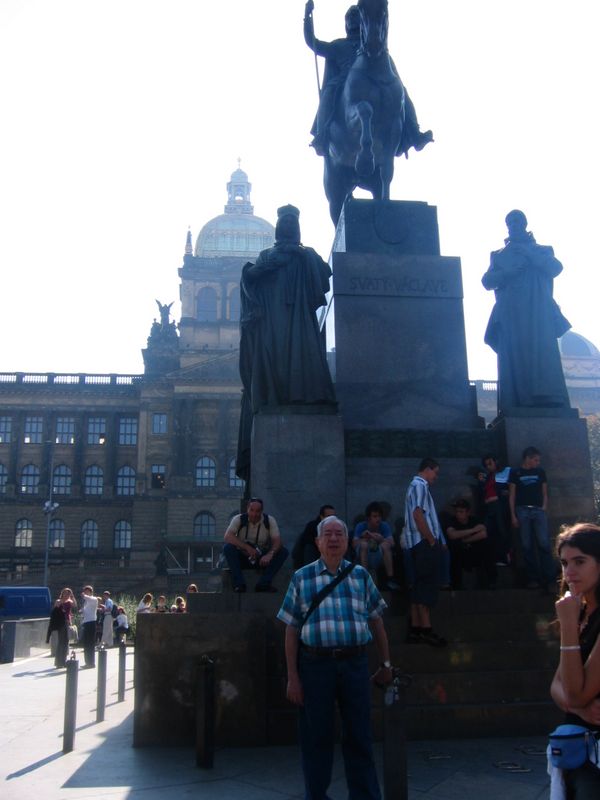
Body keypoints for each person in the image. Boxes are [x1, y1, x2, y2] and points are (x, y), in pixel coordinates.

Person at [278, 515, 393, 800]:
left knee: (360, 736)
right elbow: (291, 630)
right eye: (327, 534)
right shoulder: (301, 578)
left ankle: (365, 796)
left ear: (347, 541)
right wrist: (293, 676)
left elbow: (377, 621)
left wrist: (386, 664)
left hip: (354, 664)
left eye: (339, 534)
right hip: (315, 665)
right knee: (316, 737)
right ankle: (316, 795)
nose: (333, 539)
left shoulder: (360, 576)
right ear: (317, 542)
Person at [236, 204, 336, 481]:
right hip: (272, 322)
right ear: (280, 229)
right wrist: (269, 265)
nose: (289, 227)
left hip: (299, 323)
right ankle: (276, 397)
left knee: (300, 363)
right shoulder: (267, 255)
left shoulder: (306, 256)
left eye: (293, 222)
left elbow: (325, 276)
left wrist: (303, 256)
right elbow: (249, 279)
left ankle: (303, 397)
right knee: (275, 363)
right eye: (286, 223)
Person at [303, 1, 432, 157]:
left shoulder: (379, 49)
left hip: (377, 79)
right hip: (344, 85)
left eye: (355, 15)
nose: (352, 19)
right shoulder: (339, 46)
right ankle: (322, 135)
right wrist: (307, 17)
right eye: (349, 17)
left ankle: (414, 133)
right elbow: (313, 43)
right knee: (329, 91)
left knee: (401, 91)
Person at [482, 209, 571, 411]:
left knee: (542, 355)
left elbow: (555, 268)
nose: (513, 225)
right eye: (510, 222)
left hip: (537, 313)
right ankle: (515, 402)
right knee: (514, 358)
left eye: (517, 221)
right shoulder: (498, 256)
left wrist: (531, 254)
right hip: (511, 314)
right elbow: (487, 281)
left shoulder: (542, 250)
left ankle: (548, 400)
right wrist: (507, 273)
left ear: (525, 224)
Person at [550, 523, 600, 797]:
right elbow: (556, 686)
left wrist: (568, 626)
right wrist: (578, 709)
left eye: (580, 561)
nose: (569, 571)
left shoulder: (573, 617)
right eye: (564, 562)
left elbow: (576, 694)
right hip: (575, 749)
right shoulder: (579, 613)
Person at [403, 458, 447, 646]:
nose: (436, 477)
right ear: (427, 469)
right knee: (426, 586)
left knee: (419, 585)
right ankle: (426, 629)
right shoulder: (420, 485)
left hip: (416, 543)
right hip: (423, 543)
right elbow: (417, 514)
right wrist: (431, 539)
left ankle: (416, 628)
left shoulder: (413, 486)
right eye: (435, 472)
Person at [509, 446, 556, 592]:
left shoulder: (540, 472)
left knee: (544, 543)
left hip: (538, 510)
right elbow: (512, 495)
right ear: (528, 458)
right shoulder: (515, 472)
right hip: (522, 510)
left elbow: (544, 491)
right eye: (536, 459)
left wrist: (544, 507)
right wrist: (513, 515)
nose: (538, 462)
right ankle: (533, 578)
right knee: (526, 545)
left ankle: (550, 579)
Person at [223, 498, 289, 593]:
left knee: (283, 552)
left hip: (261, 559)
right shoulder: (238, 519)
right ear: (247, 509)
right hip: (243, 558)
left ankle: (264, 583)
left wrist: (270, 554)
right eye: (252, 510)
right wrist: (247, 548)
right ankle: (239, 584)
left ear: (262, 511)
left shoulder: (269, 520)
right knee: (228, 548)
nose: (254, 514)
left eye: (257, 511)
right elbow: (228, 536)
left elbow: (277, 541)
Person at [445, 499, 496, 590]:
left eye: (461, 512)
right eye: (457, 511)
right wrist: (473, 531)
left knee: (487, 548)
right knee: (453, 551)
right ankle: (455, 585)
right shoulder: (452, 520)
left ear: (467, 513)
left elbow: (483, 533)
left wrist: (464, 540)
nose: (458, 514)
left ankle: (491, 582)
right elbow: (452, 535)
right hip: (459, 553)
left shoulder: (474, 520)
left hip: (473, 552)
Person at [352, 501, 400, 591]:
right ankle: (365, 578)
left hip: (379, 555)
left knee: (386, 545)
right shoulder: (361, 526)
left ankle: (390, 578)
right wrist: (363, 538)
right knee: (364, 545)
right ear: (368, 518)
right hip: (363, 555)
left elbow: (392, 543)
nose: (378, 519)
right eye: (375, 516)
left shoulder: (384, 525)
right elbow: (354, 544)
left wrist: (381, 539)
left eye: (379, 516)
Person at [477, 453, 512, 566]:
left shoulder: (506, 471)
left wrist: (498, 497)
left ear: (496, 461)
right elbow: (483, 491)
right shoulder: (488, 477)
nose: (488, 466)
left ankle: (506, 556)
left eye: (490, 463)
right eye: (486, 465)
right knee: (489, 531)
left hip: (500, 506)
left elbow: (509, 490)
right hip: (490, 507)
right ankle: (496, 557)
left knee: (502, 530)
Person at [291, 504, 335, 569]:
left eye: (333, 516)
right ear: (321, 517)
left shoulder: (337, 526)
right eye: (328, 516)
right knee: (309, 548)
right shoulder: (312, 526)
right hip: (314, 551)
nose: (331, 519)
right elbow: (307, 541)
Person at [49, 587, 76, 668]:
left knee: (65, 642)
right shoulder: (58, 601)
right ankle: (58, 662)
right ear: (62, 593)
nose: (67, 595)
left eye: (68, 593)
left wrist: (73, 596)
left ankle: (63, 661)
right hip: (60, 623)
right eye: (65, 593)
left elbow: (75, 605)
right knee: (61, 642)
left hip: (67, 622)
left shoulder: (70, 601)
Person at [80, 585, 99, 668]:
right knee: (86, 643)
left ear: (91, 592)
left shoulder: (94, 599)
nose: (85, 593)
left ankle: (91, 662)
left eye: (87, 591)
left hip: (91, 623)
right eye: (85, 591)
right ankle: (87, 662)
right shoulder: (86, 602)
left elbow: (88, 598)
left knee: (90, 644)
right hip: (86, 622)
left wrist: (84, 596)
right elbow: (85, 611)